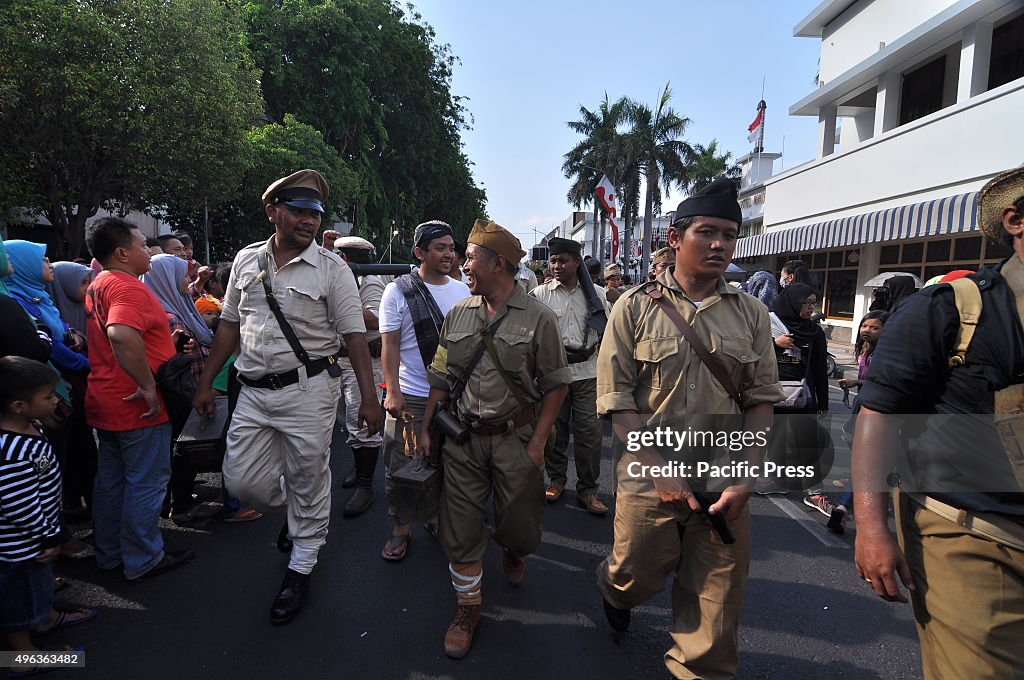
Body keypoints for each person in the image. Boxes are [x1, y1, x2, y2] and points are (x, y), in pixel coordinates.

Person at [596, 178, 782, 680]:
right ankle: (615, 593)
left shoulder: (751, 313)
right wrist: (658, 471)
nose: (720, 244)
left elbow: (762, 401)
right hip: (647, 478)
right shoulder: (633, 307)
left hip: (723, 483)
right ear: (676, 238)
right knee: (633, 573)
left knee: (714, 621)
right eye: (708, 232)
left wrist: (747, 477)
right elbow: (616, 403)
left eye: (729, 234)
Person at [853, 166, 1024, 679]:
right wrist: (870, 526)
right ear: (1015, 220)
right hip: (971, 534)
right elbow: (878, 413)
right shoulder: (952, 308)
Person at [193, 169, 383, 625]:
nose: (309, 221)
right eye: (298, 211)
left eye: (314, 213)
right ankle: (302, 515)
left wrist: (370, 400)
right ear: (272, 211)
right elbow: (229, 326)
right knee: (240, 483)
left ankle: (301, 567)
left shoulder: (333, 268)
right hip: (253, 391)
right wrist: (205, 383)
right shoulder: (245, 260)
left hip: (309, 390)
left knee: (308, 473)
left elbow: (355, 336)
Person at [420, 219, 569, 659]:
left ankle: (513, 550)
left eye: (469, 256)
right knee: (460, 529)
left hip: (517, 438)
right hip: (463, 439)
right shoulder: (459, 313)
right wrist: (427, 427)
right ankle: (468, 608)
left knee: (519, 528)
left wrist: (538, 442)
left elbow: (556, 384)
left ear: (497, 263)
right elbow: (442, 374)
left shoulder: (539, 317)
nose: (462, 264)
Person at [84, 216, 195, 581]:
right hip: (135, 403)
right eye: (142, 245)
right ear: (121, 253)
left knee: (111, 481)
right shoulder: (126, 287)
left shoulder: (100, 282)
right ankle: (143, 557)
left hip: (105, 398)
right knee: (145, 481)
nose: (150, 251)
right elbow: (120, 333)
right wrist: (148, 385)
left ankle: (111, 554)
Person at [378, 220, 470, 560]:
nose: (448, 254)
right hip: (412, 395)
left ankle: (432, 515)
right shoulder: (398, 291)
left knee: (443, 462)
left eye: (451, 248)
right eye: (440, 248)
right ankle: (401, 528)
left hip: (453, 397)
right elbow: (390, 346)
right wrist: (393, 391)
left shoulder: (463, 291)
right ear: (420, 252)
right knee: (400, 463)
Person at [0, 357, 97, 673]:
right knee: (18, 603)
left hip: (37, 536)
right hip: (19, 547)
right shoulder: (11, 453)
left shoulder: (28, 427)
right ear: (18, 405)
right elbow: (17, 505)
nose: (56, 399)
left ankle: (46, 619)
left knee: (37, 587)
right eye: (47, 396)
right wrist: (48, 534)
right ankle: (22, 659)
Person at [530, 237, 610, 515]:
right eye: (552, 261)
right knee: (555, 432)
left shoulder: (597, 294)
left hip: (588, 372)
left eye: (562, 260)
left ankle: (588, 490)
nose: (556, 266)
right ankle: (557, 480)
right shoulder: (540, 295)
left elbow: (607, 336)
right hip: (554, 374)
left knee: (590, 432)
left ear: (577, 262)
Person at [806, 310, 889, 534]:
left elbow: (882, 381)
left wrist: (856, 381)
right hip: (864, 408)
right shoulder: (867, 350)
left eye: (874, 328)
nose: (867, 330)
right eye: (865, 326)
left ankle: (844, 505)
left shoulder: (885, 352)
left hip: (876, 410)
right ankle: (849, 503)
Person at [755, 283, 829, 497]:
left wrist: (822, 401)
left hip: (803, 393)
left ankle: (816, 490)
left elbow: (819, 368)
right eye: (807, 303)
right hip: (772, 392)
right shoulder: (769, 325)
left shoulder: (814, 332)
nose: (811, 308)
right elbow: (750, 352)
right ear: (793, 302)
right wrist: (775, 343)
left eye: (814, 303)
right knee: (776, 441)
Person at [331, 236, 386, 517]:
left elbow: (376, 320)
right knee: (349, 422)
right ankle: (358, 467)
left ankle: (366, 485)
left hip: (363, 362)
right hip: (340, 359)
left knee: (363, 423)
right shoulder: (343, 278)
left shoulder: (370, 280)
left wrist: (346, 296)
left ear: (346, 259)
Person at [5, 242, 89, 375]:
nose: (50, 265)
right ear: (25, 265)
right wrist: (87, 365)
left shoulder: (39, 296)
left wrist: (71, 333)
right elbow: (52, 346)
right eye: (43, 259)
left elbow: (57, 325)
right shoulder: (17, 302)